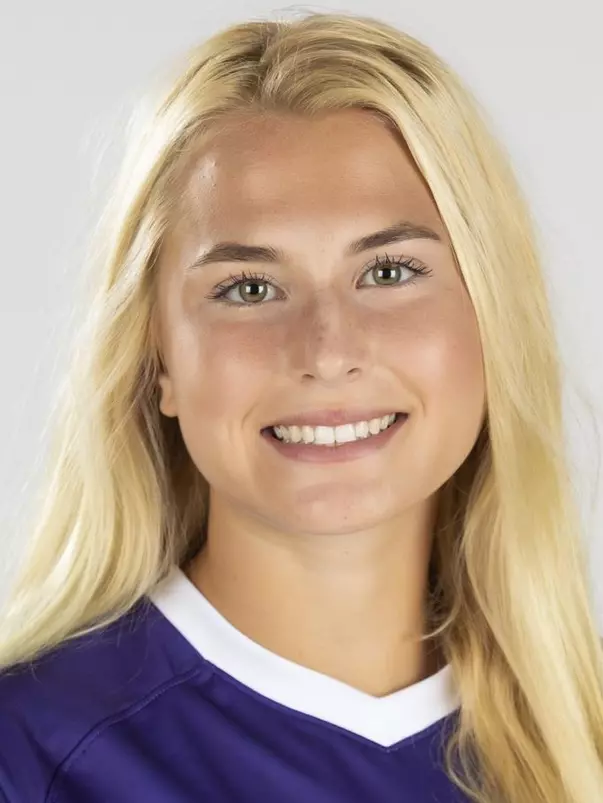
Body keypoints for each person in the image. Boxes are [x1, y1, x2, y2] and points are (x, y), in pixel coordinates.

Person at [0, 10, 602, 803]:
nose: (324, 349)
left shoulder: (577, 741)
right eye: (248, 288)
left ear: (492, 317)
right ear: (158, 360)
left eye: (388, 272)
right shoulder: (31, 757)